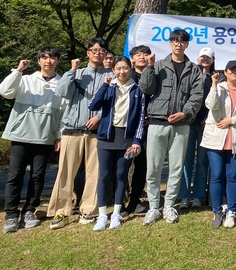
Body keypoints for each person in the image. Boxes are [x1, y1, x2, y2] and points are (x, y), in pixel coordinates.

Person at [139, 29, 204, 226]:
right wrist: (149, 68)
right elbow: (146, 88)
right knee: (154, 167)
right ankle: (153, 207)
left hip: (182, 124)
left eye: (182, 41)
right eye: (175, 41)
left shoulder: (193, 69)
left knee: (176, 167)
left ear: (187, 45)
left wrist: (185, 113)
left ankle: (168, 206)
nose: (178, 44)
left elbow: (197, 96)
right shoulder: (158, 66)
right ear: (170, 44)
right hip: (158, 122)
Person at [48, 37, 112, 229]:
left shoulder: (111, 76)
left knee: (95, 172)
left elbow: (113, 102)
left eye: (101, 50)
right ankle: (61, 212)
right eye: (93, 50)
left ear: (105, 54)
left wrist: (99, 117)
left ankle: (88, 210)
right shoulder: (77, 73)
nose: (97, 53)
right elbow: (61, 91)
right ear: (88, 53)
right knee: (65, 172)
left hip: (96, 132)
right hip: (72, 129)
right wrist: (72, 71)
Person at [1, 49, 63, 233]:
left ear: (58, 61)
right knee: (15, 175)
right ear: (38, 61)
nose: (48, 61)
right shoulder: (25, 79)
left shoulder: (61, 84)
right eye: (44, 58)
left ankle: (29, 210)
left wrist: (59, 135)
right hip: (20, 134)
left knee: (38, 176)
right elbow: (5, 92)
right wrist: (18, 70)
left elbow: (63, 114)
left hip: (44, 136)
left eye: (52, 58)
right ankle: (11, 214)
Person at [88, 57, 146, 230]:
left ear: (131, 68)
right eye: (118, 68)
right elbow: (93, 105)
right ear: (113, 70)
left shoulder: (137, 89)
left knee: (121, 175)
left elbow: (141, 118)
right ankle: (102, 215)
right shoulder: (109, 86)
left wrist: (137, 140)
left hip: (126, 138)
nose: (122, 71)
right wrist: (105, 86)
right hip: (106, 136)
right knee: (104, 175)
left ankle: (116, 214)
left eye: (125, 68)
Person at [202, 60, 236, 227]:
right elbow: (211, 105)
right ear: (225, 72)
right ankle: (217, 211)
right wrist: (213, 85)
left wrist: (231, 120)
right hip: (215, 138)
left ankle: (231, 210)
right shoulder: (219, 87)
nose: (235, 73)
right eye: (231, 70)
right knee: (217, 176)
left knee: (232, 176)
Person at [179, 47, 215, 211]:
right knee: (186, 161)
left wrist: (209, 117)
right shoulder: (190, 74)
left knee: (202, 161)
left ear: (213, 60)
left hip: (205, 125)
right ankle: (185, 196)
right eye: (202, 57)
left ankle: (199, 196)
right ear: (198, 58)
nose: (205, 60)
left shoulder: (216, 78)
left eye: (208, 57)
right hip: (188, 123)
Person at [123, 45, 151, 216]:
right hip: (127, 127)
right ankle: (120, 200)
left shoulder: (154, 76)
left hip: (147, 126)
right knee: (123, 165)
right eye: (138, 54)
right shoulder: (126, 76)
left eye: (145, 54)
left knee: (142, 166)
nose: (142, 57)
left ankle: (135, 200)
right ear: (132, 59)